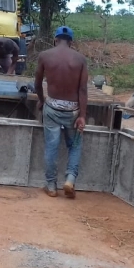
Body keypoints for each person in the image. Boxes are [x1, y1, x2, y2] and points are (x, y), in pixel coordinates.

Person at [34, 26, 88, 199]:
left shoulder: (45, 56)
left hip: (52, 108)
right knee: (75, 145)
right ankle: (70, 179)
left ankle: (51, 186)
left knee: (52, 146)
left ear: (55, 39)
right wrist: (82, 116)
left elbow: (36, 83)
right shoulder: (80, 59)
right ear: (71, 42)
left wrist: (42, 101)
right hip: (72, 109)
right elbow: (83, 90)